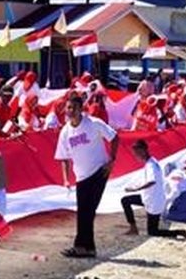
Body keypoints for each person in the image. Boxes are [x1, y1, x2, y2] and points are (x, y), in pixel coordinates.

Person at [54, 93, 119, 259]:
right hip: (81, 177)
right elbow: (64, 158)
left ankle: (81, 247)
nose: (70, 111)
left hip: (99, 171)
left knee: (88, 210)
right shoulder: (65, 132)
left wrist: (112, 160)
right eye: (68, 107)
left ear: (80, 109)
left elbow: (114, 137)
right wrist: (66, 178)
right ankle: (88, 248)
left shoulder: (93, 123)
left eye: (74, 108)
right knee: (84, 212)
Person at [120, 140, 186, 240]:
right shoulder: (152, 161)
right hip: (149, 198)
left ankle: (179, 232)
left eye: (137, 153)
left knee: (153, 232)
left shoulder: (151, 165)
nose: (136, 156)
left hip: (154, 201)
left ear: (143, 150)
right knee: (125, 200)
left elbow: (152, 181)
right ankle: (133, 227)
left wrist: (135, 189)